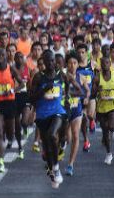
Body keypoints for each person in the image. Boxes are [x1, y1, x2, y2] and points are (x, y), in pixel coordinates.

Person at [29, 50, 81, 188]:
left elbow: (68, 88)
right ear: (44, 63)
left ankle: (57, 167)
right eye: (48, 61)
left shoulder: (61, 75)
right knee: (46, 146)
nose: (51, 63)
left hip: (58, 111)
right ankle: (53, 170)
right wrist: (44, 90)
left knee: (52, 135)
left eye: (53, 60)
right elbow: (31, 97)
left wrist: (67, 98)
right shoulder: (38, 78)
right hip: (42, 115)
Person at [0, 47, 22, 173]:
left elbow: (22, 84)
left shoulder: (11, 69)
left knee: (10, 133)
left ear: (6, 57)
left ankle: (10, 139)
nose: (0, 58)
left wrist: (12, 90)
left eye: (3, 55)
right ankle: (1, 161)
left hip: (10, 103)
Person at [64, 52, 89, 176]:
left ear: (78, 64)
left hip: (76, 109)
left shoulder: (81, 77)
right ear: (66, 64)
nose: (72, 65)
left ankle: (70, 164)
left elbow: (87, 91)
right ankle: (61, 145)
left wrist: (86, 98)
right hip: (64, 110)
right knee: (67, 138)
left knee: (75, 135)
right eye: (70, 63)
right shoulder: (63, 76)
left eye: (74, 63)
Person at [12, 49, 33, 160]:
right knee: (16, 125)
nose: (20, 59)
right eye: (17, 57)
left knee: (24, 121)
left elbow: (29, 84)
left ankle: (25, 127)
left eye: (21, 57)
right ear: (14, 59)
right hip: (14, 97)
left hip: (25, 96)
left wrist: (31, 95)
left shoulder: (27, 69)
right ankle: (20, 147)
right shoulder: (11, 70)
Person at [75, 43, 95, 152]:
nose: (81, 55)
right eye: (79, 52)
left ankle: (93, 120)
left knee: (89, 115)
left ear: (86, 53)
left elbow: (100, 74)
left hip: (90, 94)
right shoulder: (75, 65)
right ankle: (86, 140)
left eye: (83, 52)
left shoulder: (92, 64)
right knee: (83, 119)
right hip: (79, 96)